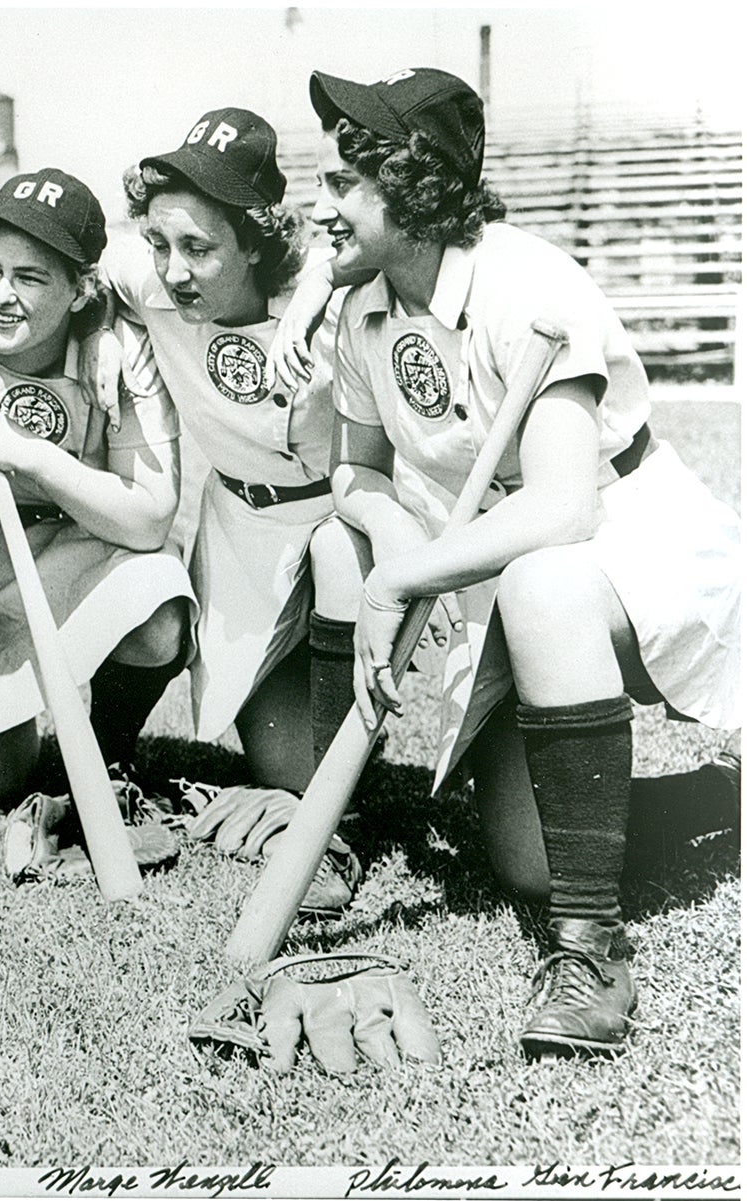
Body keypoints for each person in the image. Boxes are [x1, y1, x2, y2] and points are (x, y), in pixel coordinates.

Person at [297, 66, 741, 1055]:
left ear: (409, 185)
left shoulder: (527, 282)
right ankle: (721, 797)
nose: (316, 205)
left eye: (337, 184)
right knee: (525, 858)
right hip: (499, 553)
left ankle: (591, 958)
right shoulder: (361, 308)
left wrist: (410, 576)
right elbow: (355, 473)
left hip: (628, 531)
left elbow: (563, 504)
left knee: (543, 582)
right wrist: (395, 544)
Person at [101, 108, 379, 912]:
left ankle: (339, 831)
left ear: (257, 240)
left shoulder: (325, 306)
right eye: (161, 243)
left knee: (330, 788)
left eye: (200, 247)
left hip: (338, 533)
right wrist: (100, 338)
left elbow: (389, 247)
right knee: (283, 771)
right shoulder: (151, 284)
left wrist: (322, 281)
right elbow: (64, 268)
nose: (175, 269)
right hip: (240, 531)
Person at [0, 167, 195, 805]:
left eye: (30, 278)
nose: (2, 295)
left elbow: (149, 518)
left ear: (82, 288)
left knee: (160, 606)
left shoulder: (120, 348)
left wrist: (26, 454)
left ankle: (110, 758)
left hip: (71, 559)